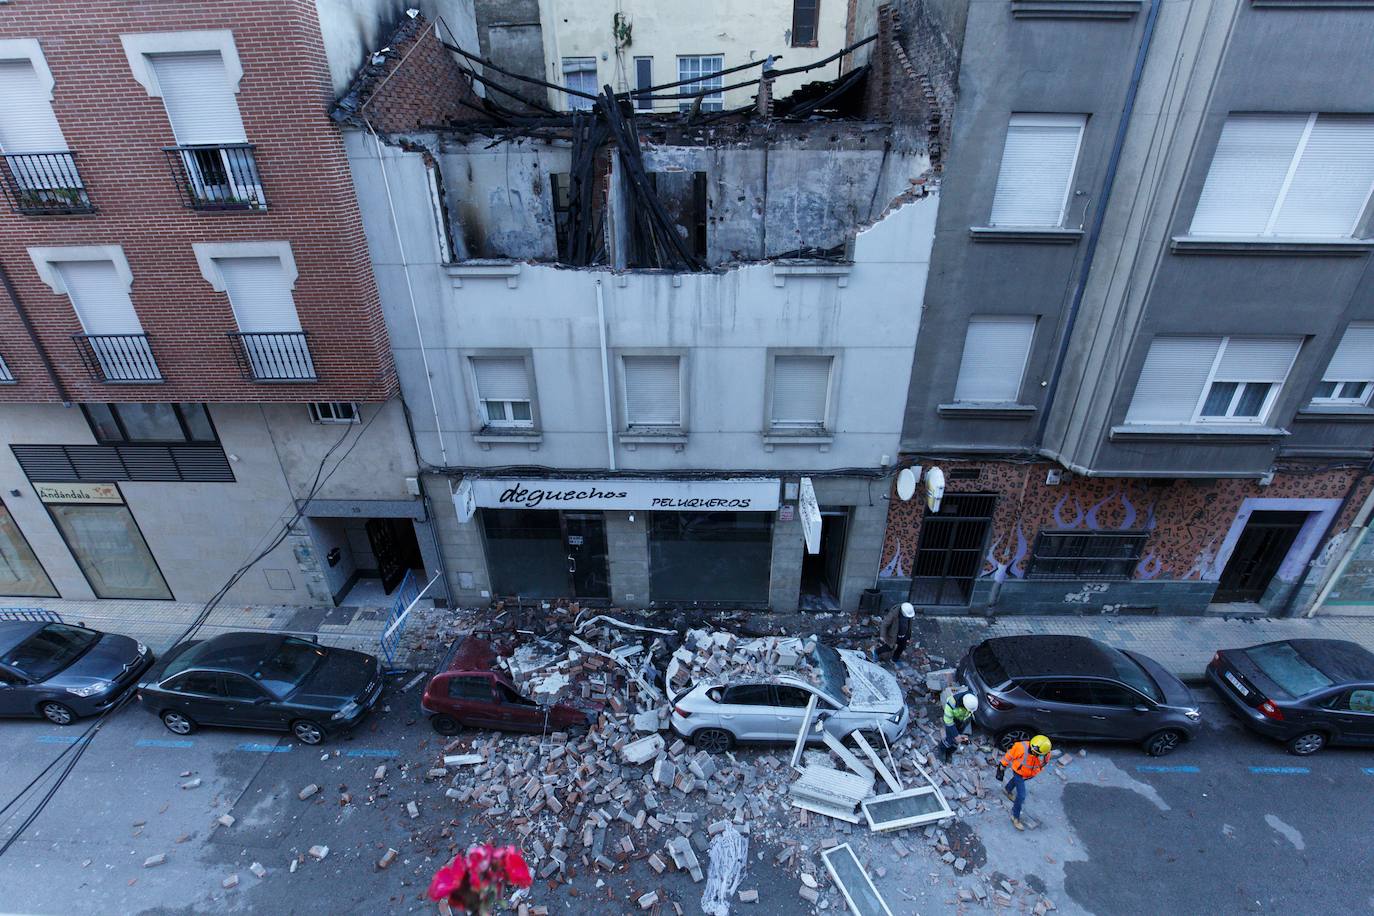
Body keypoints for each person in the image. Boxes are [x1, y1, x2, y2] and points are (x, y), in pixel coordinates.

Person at [996, 735, 1051, 830]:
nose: (1034, 754)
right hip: (1018, 772)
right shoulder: (1021, 747)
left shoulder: (1045, 753)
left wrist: (1034, 771)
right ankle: (1015, 816)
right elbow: (1009, 755)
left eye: (1038, 754)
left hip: (1028, 774)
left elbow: (1043, 763)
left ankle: (1007, 789)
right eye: (1033, 752)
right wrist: (1002, 765)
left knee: (1016, 782)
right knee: (1021, 796)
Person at [940, 689, 978, 764]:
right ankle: (942, 751)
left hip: (963, 721)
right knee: (949, 739)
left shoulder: (972, 699)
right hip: (952, 723)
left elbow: (970, 712)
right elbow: (948, 721)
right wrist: (956, 735)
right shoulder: (952, 703)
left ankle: (949, 752)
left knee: (957, 741)